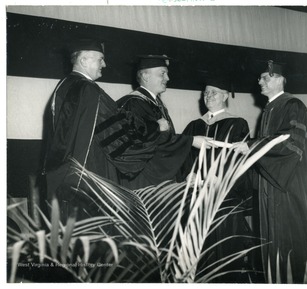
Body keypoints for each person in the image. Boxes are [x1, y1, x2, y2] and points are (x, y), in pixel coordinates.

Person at [235, 60, 307, 283]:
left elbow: (290, 144)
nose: (259, 81)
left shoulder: (293, 105)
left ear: (281, 79)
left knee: (291, 243)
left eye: (266, 77)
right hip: (269, 188)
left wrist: (252, 146)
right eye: (260, 77)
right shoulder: (269, 109)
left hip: (287, 188)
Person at [43, 39, 129, 222]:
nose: (104, 65)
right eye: (100, 59)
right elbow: (118, 128)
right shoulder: (89, 90)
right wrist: (154, 130)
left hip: (63, 176)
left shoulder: (63, 85)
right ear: (83, 61)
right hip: (90, 176)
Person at [180, 77, 254, 282]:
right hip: (196, 197)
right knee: (199, 249)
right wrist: (188, 173)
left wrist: (218, 177)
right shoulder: (194, 126)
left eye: (213, 92)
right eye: (205, 93)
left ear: (224, 96)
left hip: (224, 197)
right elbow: (184, 155)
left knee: (224, 248)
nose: (208, 96)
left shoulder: (237, 123)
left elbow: (239, 160)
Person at [114, 55, 211, 189]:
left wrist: (185, 173)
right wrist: (191, 141)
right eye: (162, 74)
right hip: (142, 181)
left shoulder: (154, 103)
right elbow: (150, 142)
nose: (168, 78)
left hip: (154, 179)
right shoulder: (134, 104)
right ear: (146, 76)